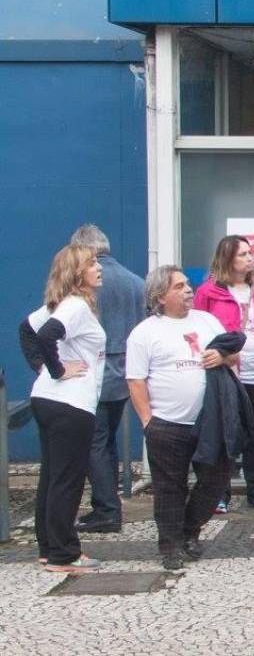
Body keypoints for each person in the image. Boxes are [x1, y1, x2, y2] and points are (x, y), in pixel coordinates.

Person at [125, 266, 238, 570]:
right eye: (179, 286)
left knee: (216, 479)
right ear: (161, 296)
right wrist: (148, 421)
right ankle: (171, 545)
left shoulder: (208, 321)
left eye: (188, 284)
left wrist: (223, 357)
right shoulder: (145, 332)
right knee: (169, 487)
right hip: (167, 424)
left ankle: (191, 529)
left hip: (210, 422)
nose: (188, 290)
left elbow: (234, 357)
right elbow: (135, 380)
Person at [19, 244, 106, 573]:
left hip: (49, 400)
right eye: (93, 263)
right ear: (77, 272)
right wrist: (55, 368)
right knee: (67, 479)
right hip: (70, 402)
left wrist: (42, 368)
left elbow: (27, 329)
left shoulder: (60, 305)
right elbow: (45, 335)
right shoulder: (75, 307)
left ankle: (49, 548)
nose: (100, 268)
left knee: (53, 476)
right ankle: (64, 554)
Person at [193, 235, 254, 514]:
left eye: (251, 252)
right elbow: (199, 328)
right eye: (243, 254)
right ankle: (220, 491)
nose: (250, 257)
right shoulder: (209, 292)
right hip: (226, 370)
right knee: (224, 430)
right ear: (228, 258)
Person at [68, 225, 145, 535]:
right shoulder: (135, 282)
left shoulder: (85, 283)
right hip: (127, 371)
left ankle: (106, 509)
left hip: (94, 371)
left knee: (94, 442)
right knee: (106, 441)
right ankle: (108, 503)